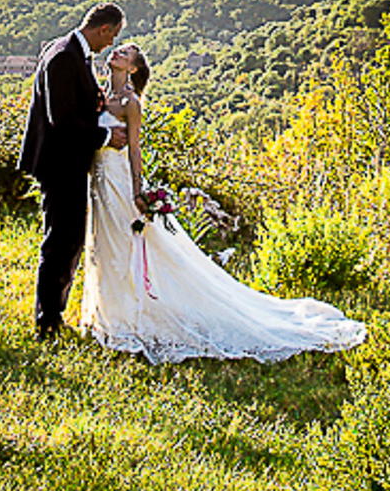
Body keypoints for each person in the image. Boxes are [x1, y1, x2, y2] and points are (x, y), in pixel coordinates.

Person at [79, 45, 365, 364]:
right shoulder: (100, 96)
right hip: (98, 184)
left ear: (132, 68)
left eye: (126, 53)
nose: (117, 52)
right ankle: (109, 311)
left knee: (125, 245)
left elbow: (134, 150)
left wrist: (137, 191)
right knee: (105, 246)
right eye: (118, 50)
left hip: (118, 181)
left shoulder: (130, 103)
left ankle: (130, 317)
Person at [17, 2, 122, 338]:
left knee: (67, 239)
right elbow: (60, 120)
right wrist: (105, 135)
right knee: (61, 241)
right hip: (60, 164)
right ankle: (47, 322)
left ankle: (51, 316)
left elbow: (74, 102)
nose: (111, 44)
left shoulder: (66, 50)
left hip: (66, 163)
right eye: (113, 36)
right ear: (103, 29)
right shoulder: (64, 56)